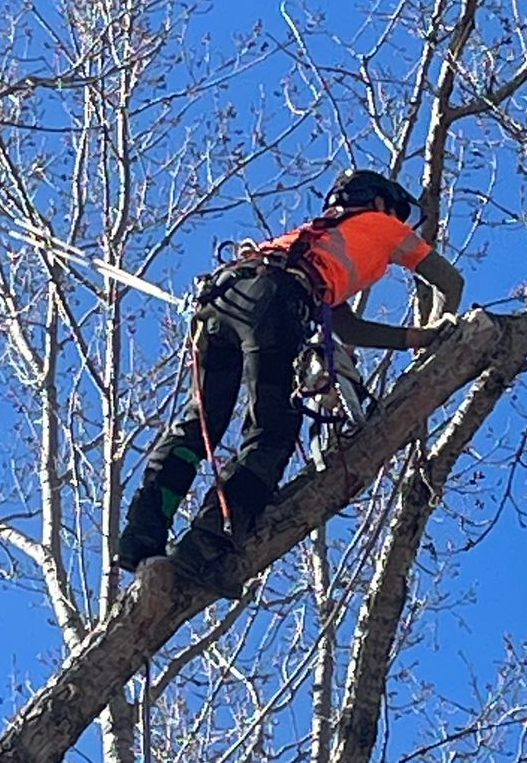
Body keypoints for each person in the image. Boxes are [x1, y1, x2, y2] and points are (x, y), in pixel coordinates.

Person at [115, 167, 465, 578]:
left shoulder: (316, 239)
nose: (399, 221)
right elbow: (449, 281)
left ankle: (141, 536)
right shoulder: (383, 226)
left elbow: (347, 327)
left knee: (199, 426)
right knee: (272, 430)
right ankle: (206, 545)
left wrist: (417, 339)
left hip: (224, 296)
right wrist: (443, 326)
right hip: (278, 302)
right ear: (379, 201)